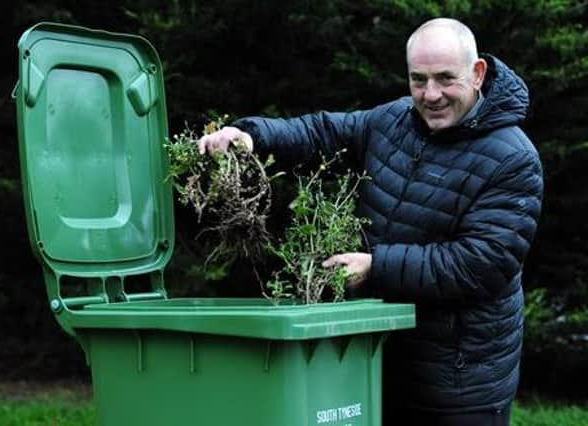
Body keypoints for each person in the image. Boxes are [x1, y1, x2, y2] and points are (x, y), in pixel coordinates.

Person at [198, 17, 543, 426]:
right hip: (378, 361)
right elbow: (321, 132)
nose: (430, 94)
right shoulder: (395, 120)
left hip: (459, 385)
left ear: (478, 74)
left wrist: (375, 266)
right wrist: (253, 137)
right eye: (418, 80)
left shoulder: (513, 159)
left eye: (445, 79)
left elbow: (478, 265)